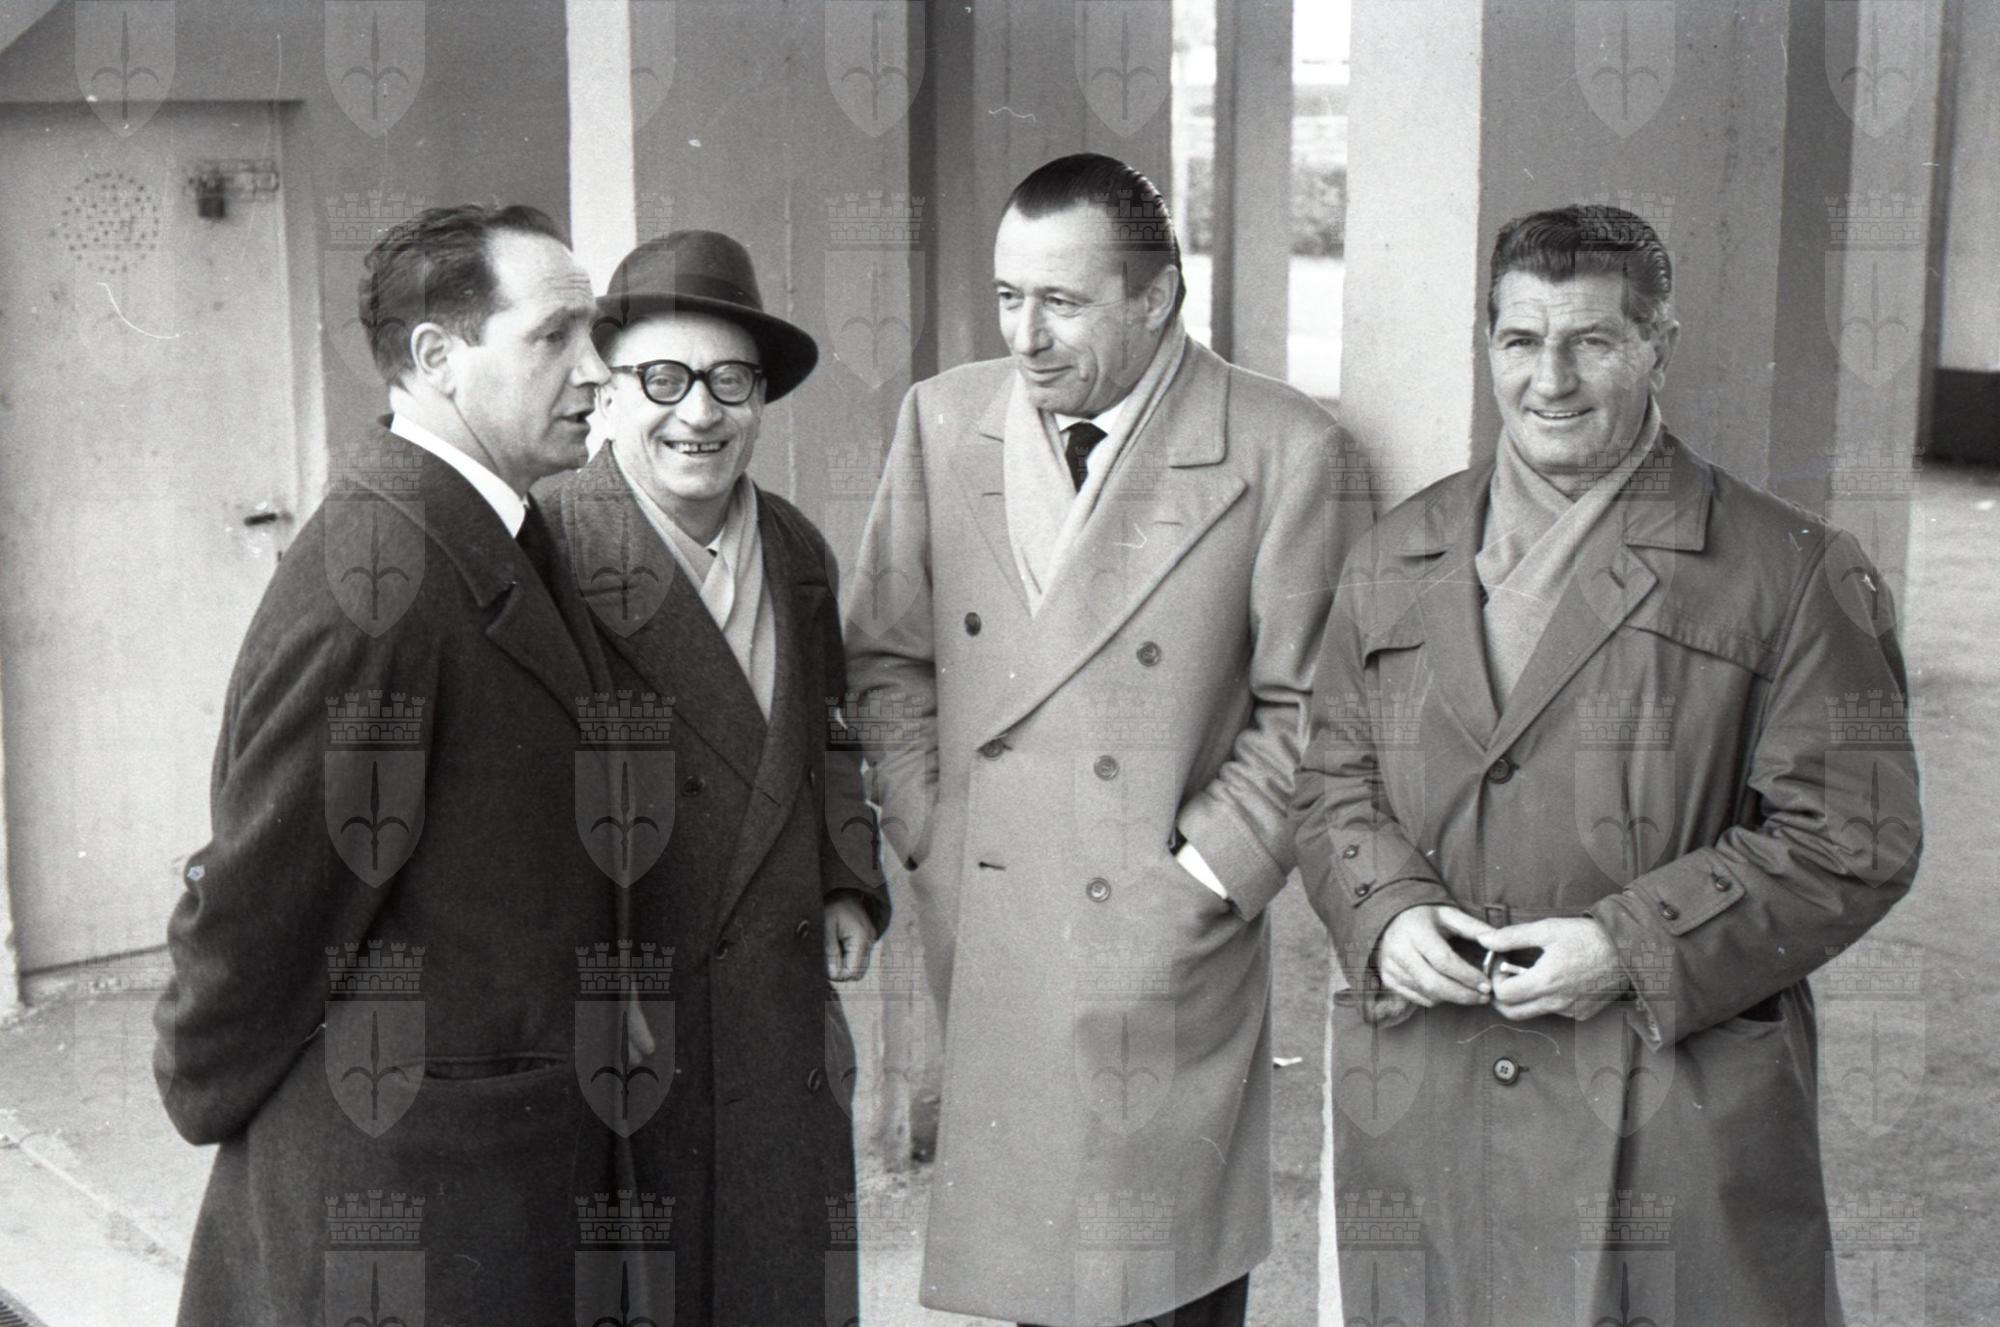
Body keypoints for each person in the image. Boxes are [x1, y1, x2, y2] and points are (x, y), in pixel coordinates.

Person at [1293, 204, 1921, 1325]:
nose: (1550, 380)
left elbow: (1854, 837)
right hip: (1436, 1078)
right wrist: (1382, 908)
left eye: (1590, 340)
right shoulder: (1398, 549)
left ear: (1657, 346)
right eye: (1519, 340)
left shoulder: (1791, 570)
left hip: (1662, 1094)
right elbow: (1333, 775)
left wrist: (1630, 947)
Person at [845, 153, 1356, 1327]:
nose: (1024, 335)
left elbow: (1313, 710)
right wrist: (931, 826)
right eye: (1007, 296)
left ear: (1155, 297)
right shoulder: (941, 418)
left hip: (1161, 933)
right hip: (994, 910)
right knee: (1041, 1280)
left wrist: (1201, 877)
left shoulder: (1284, 447)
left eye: (1061, 302)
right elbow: (883, 654)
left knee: (1159, 1278)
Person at [154, 205, 629, 1324]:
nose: (596, 370)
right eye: (553, 336)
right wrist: (201, 1081)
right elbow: (260, 904)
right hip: (406, 1187)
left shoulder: (490, 528)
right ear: (436, 357)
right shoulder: (382, 581)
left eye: (594, 332)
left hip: (481, 1168)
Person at [545, 228, 888, 1325]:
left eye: (730, 379)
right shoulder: (547, 546)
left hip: (776, 1002)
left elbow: (828, 734)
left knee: (782, 1274)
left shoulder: (794, 547)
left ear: (762, 398)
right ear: (608, 391)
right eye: (663, 378)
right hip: (630, 1003)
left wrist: (845, 876)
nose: (698, 411)